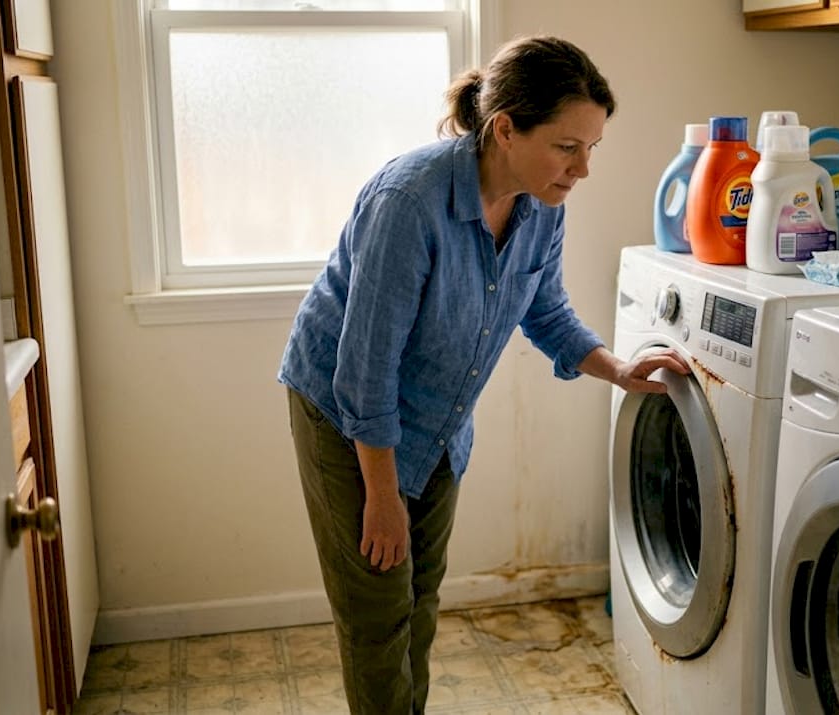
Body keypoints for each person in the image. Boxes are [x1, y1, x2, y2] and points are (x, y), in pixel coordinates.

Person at [278, 34, 689, 714]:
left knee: (420, 598)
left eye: (593, 147)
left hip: (438, 419)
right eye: (568, 145)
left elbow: (546, 310)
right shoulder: (409, 202)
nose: (583, 168)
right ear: (505, 128)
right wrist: (380, 496)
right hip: (347, 415)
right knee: (379, 610)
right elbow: (365, 367)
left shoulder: (540, 202)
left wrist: (617, 368)